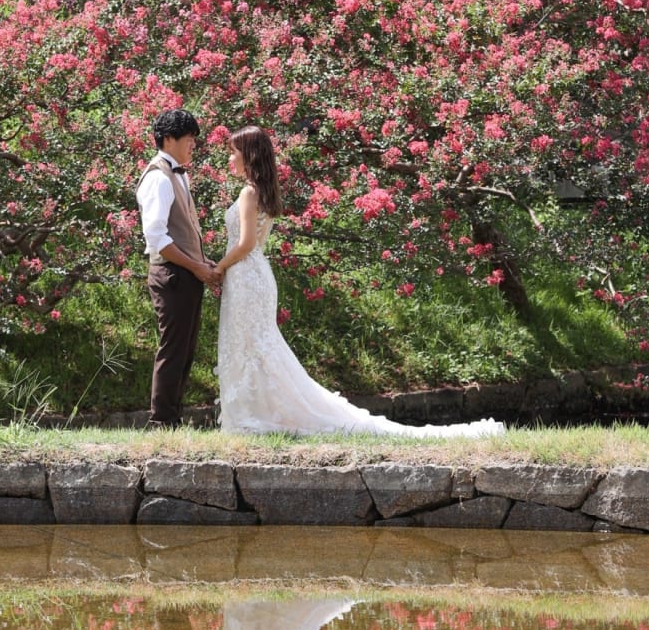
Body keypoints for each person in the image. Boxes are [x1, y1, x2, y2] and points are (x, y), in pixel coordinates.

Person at [213, 125, 505, 437]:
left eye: (234, 152)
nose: (230, 159)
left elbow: (245, 243)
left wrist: (219, 267)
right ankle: (255, 412)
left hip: (246, 274)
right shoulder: (262, 192)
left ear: (249, 155)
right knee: (256, 345)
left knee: (254, 345)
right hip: (254, 275)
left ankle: (254, 415)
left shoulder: (248, 193)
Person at [136, 108, 218, 428]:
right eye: (188, 139)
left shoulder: (179, 174)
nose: (193, 145)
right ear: (168, 139)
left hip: (185, 272)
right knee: (172, 350)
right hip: (172, 275)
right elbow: (157, 239)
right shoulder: (158, 177)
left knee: (184, 350)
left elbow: (183, 231)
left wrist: (202, 262)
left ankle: (173, 418)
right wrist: (196, 266)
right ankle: (162, 421)